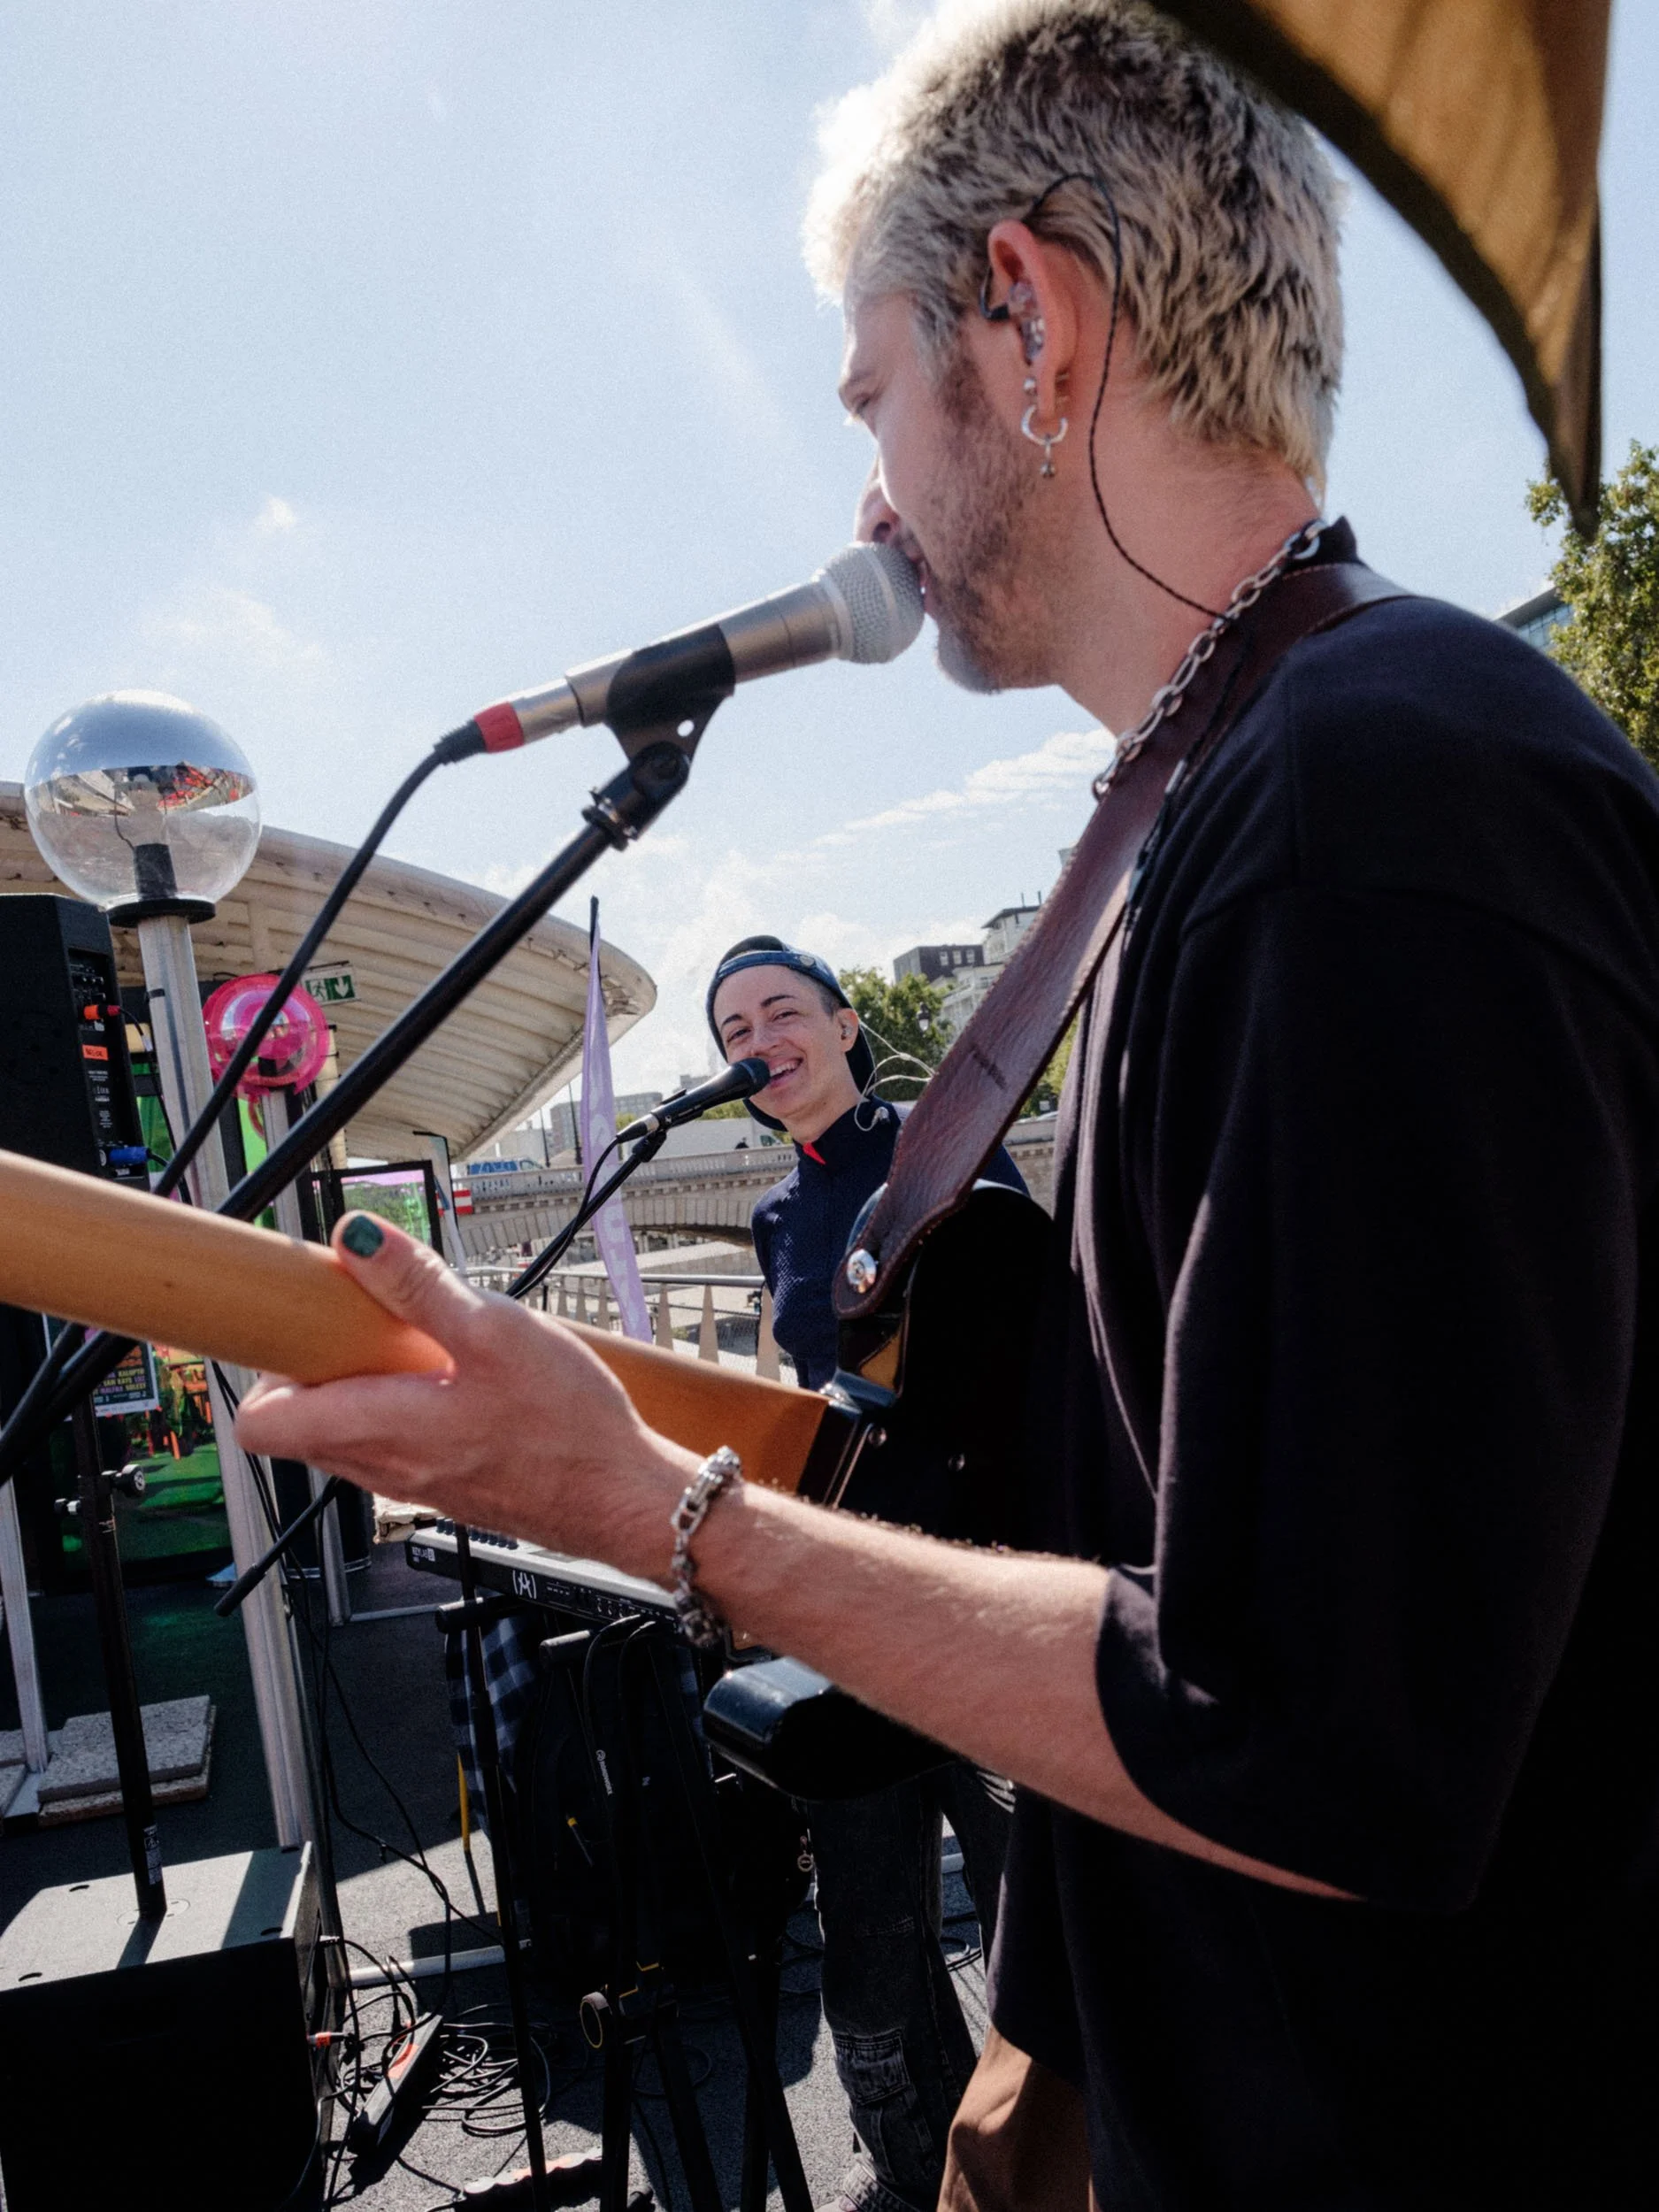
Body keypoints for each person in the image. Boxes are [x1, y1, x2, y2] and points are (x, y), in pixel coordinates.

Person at [239, 4, 1659, 2203]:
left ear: (1031, 319)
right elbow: (1164, 1545)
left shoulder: (1371, 797)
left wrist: (659, 1512)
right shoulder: (1241, 799)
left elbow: (1321, 1733)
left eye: (874, 383)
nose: (865, 478)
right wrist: (1051, 2031)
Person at [708, 934, 1021, 2212]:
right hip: (844, 1600)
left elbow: (997, 1350)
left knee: (1027, 1901)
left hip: (979, 1584)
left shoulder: (943, 1148)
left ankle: (1056, 2151)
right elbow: (813, 1402)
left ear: (845, 1026)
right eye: (731, 1032)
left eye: (780, 1012)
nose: (755, 1042)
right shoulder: (778, 1208)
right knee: (869, 1919)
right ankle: (914, 2166)